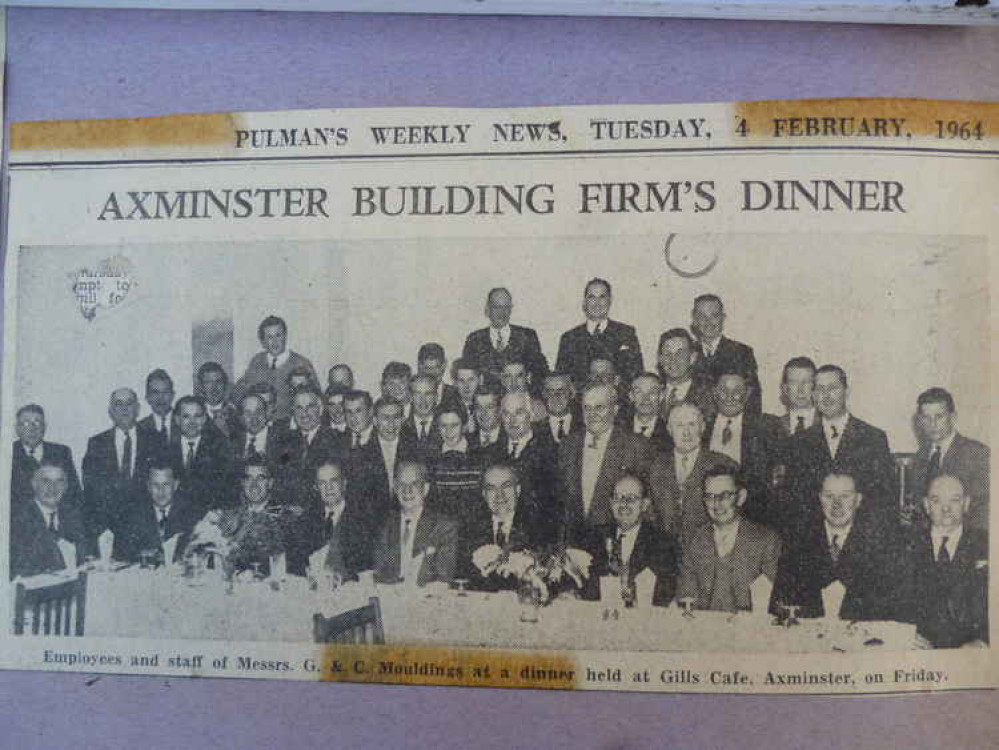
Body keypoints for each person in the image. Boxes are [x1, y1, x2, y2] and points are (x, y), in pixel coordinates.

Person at [771, 471, 908, 621]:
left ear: (858, 500)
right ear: (819, 498)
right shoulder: (797, 543)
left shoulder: (881, 545)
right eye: (829, 496)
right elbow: (780, 603)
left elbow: (894, 608)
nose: (836, 505)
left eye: (845, 496)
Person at [783, 364, 896, 527]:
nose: (826, 396)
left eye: (833, 388)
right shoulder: (799, 441)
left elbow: (883, 500)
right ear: (813, 395)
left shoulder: (873, 438)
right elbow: (794, 503)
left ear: (846, 391)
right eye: (820, 389)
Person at [676, 466, 781, 613]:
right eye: (710, 496)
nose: (717, 504)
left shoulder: (765, 541)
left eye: (724, 495)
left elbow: (772, 602)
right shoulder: (694, 539)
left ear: (741, 497)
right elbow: (686, 596)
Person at [558, 382, 654, 533]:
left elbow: (647, 506)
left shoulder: (636, 446)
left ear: (615, 409)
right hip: (574, 541)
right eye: (587, 408)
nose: (592, 415)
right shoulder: (568, 445)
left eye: (599, 408)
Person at [907, 475, 988, 648]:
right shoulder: (906, 545)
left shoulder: (987, 544)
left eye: (955, 500)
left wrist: (983, 642)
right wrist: (903, 637)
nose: (946, 508)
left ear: (966, 504)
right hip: (918, 656)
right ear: (926, 505)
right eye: (936, 501)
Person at [579, 474, 678, 607]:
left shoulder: (663, 544)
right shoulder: (594, 538)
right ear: (610, 503)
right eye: (618, 498)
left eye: (631, 499)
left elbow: (665, 593)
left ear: (644, 504)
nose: (623, 504)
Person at [648, 402, 737, 542]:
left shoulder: (723, 464)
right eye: (679, 425)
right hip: (664, 552)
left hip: (709, 551)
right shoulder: (655, 466)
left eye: (691, 425)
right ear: (669, 430)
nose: (686, 432)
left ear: (702, 428)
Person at [82, 388, 163, 537]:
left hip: (147, 529)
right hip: (108, 531)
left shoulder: (156, 440)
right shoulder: (96, 444)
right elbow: (90, 493)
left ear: (137, 409)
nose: (124, 409)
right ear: (110, 411)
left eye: (129, 403)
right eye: (118, 404)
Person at [704, 370, 782, 525]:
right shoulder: (702, 426)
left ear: (747, 394)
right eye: (724, 390)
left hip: (753, 518)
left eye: (737, 391)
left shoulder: (766, 429)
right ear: (714, 393)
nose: (730, 396)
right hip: (708, 515)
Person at [908, 388, 989, 532]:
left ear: (953, 417)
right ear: (919, 421)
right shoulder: (919, 457)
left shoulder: (977, 454)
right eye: (926, 417)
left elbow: (983, 511)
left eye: (939, 416)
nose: (932, 424)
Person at [373, 460, 458, 586]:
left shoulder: (443, 527)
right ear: (395, 489)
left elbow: (444, 577)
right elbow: (379, 573)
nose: (407, 490)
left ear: (426, 488)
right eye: (401, 484)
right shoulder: (386, 526)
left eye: (414, 484)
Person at [463, 462, 542, 592]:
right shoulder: (470, 528)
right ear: (484, 494)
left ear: (518, 490)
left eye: (506, 486)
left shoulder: (537, 526)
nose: (499, 495)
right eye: (491, 488)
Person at [555, 278, 643, 390]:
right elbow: (563, 380)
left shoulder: (626, 333)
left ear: (610, 301)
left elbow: (636, 375)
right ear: (584, 302)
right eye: (592, 297)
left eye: (602, 297)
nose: (597, 303)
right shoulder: (569, 338)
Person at [11, 461, 92, 578]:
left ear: (66, 487)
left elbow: (82, 556)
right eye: (45, 481)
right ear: (34, 484)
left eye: (59, 481)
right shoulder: (18, 519)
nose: (53, 488)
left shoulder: (72, 515)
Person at [291, 460, 371, 579]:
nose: (328, 488)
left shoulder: (363, 520)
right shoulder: (307, 521)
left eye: (333, 481)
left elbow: (365, 568)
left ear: (344, 483)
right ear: (317, 488)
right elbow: (298, 566)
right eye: (322, 483)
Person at [112, 461, 200, 565]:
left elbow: (197, 553)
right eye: (155, 485)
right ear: (148, 487)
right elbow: (120, 553)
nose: (161, 491)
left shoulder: (190, 514)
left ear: (176, 485)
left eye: (166, 485)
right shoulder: (133, 515)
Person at [462, 287, 549, 390]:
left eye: (506, 307)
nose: (502, 313)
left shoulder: (527, 336)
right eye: (496, 307)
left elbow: (540, 374)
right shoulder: (474, 340)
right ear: (487, 310)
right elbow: (467, 375)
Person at [234, 315, 317, 421]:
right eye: (269, 337)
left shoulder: (301, 363)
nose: (274, 342)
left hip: (291, 426)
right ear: (263, 341)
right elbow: (242, 388)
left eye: (278, 335)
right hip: (260, 424)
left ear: (285, 336)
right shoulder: (257, 361)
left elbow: (316, 399)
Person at [689, 294, 761, 414]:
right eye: (702, 316)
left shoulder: (742, 352)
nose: (708, 322)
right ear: (695, 320)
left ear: (723, 318)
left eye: (714, 316)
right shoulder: (687, 353)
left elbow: (752, 400)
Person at [276, 386, 344, 510]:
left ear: (321, 409)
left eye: (310, 407)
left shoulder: (337, 440)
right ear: (293, 412)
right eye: (299, 408)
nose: (304, 413)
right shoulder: (285, 442)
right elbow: (281, 477)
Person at [167, 395, 233, 511]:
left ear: (204, 419)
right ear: (177, 420)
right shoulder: (165, 450)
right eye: (186, 416)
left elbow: (225, 492)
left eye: (197, 416)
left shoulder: (220, 449)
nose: (192, 422)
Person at [428, 405, 487, 532]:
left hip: (475, 529)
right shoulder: (432, 459)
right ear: (437, 428)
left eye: (454, 425)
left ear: (464, 426)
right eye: (444, 426)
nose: (449, 432)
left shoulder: (479, 455)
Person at [11, 404, 81, 509]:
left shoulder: (61, 452)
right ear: (17, 428)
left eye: (37, 423)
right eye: (26, 423)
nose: (32, 429)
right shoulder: (9, 453)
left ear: (44, 427)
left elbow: (74, 494)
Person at [655, 328, 715, 427]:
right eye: (667, 354)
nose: (673, 360)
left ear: (692, 357)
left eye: (680, 354)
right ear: (660, 359)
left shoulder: (709, 394)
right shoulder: (652, 393)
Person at [767, 357, 818, 439]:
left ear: (815, 386)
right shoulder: (773, 428)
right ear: (785, 388)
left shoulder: (826, 423)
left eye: (806, 382)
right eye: (793, 382)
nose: (800, 390)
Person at [619, 372, 670, 451]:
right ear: (631, 396)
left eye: (652, 392)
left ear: (661, 396)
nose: (646, 398)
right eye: (639, 392)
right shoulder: (619, 429)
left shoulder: (669, 432)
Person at [231, 392, 283, 466]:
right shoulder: (233, 442)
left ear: (266, 413)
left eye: (258, 412)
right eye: (248, 413)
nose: (254, 419)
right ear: (241, 417)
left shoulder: (281, 440)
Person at [400, 374, 442, 459]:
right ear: (410, 397)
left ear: (436, 397)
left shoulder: (446, 425)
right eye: (417, 394)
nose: (423, 400)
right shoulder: (400, 428)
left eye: (428, 394)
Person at [196, 362, 239, 439]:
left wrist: (226, 432)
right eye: (208, 382)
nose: (214, 388)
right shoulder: (194, 412)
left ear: (225, 385)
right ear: (201, 386)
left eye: (218, 382)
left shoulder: (236, 414)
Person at [416, 342, 462, 413]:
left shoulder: (457, 395)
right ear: (419, 367)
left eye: (436, 368)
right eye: (427, 368)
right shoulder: (410, 395)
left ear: (444, 365)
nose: (432, 374)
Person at [541, 371, 581, 447]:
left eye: (561, 391)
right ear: (544, 394)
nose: (556, 396)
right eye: (550, 391)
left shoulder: (583, 422)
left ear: (572, 392)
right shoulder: (537, 426)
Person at [137, 368, 176, 446]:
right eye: (155, 392)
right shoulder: (139, 428)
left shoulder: (184, 422)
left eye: (165, 392)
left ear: (172, 395)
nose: (161, 398)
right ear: (147, 398)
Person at [468, 382, 506, 455]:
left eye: (489, 407)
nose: (484, 413)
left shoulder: (510, 440)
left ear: (500, 409)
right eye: (479, 407)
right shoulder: (466, 441)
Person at [450, 358, 481, 433]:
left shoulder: (489, 405)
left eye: (471, 380)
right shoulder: (447, 408)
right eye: (461, 381)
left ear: (480, 380)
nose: (466, 386)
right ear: (455, 383)